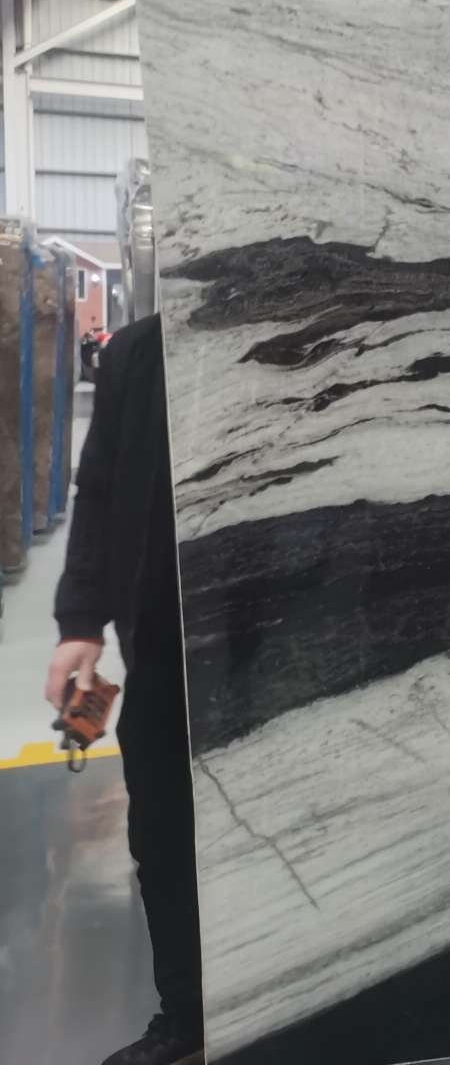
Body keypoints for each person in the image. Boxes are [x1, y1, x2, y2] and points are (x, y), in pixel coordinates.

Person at [42, 315, 202, 1065]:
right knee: (164, 834)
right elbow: (100, 486)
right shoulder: (140, 353)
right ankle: (189, 1015)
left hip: (298, 633)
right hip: (167, 648)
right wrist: (82, 619)